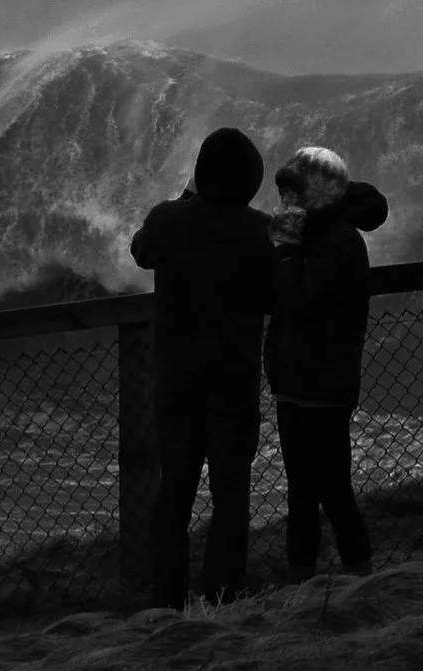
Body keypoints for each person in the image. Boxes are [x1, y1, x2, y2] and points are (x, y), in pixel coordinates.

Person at [130, 126, 275, 609]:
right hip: (234, 384)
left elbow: (141, 250)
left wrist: (183, 197)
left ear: (201, 175)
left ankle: (168, 602)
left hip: (177, 383)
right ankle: (223, 598)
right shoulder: (262, 231)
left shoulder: (169, 220)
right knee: (231, 497)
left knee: (174, 493)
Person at [265, 145, 389, 581]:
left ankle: (360, 580)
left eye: (293, 192)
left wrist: (282, 250)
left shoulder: (338, 242)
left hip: (321, 383)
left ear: (316, 194)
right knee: (301, 493)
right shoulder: (316, 234)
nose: (286, 202)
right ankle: (303, 586)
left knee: (332, 491)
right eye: (284, 192)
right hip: (295, 379)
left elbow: (297, 298)